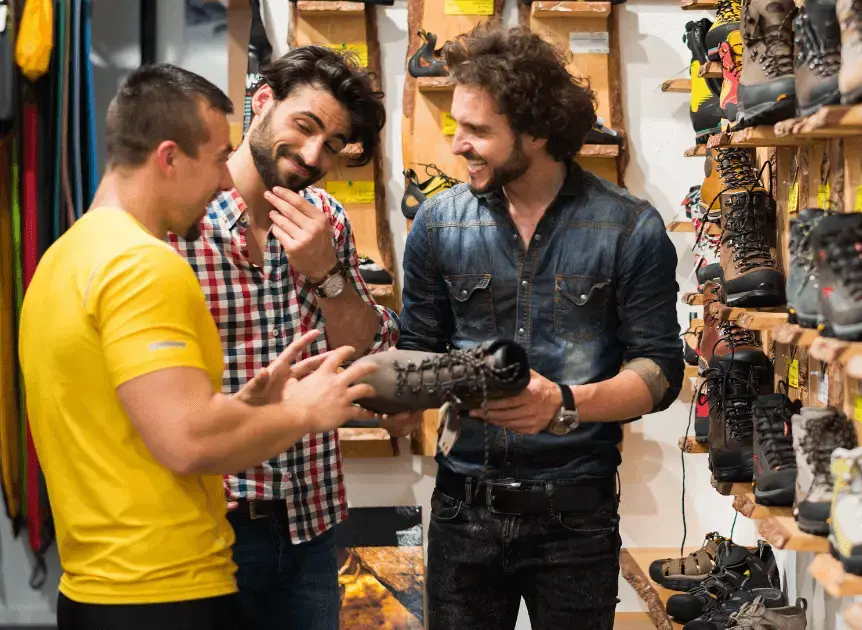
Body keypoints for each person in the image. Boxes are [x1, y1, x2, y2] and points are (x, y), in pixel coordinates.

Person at [17, 64, 380, 630]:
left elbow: (141, 414)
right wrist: (302, 410)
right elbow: (185, 441)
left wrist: (325, 278)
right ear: (169, 157)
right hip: (173, 570)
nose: (224, 180)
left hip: (279, 528)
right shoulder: (148, 256)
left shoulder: (68, 254)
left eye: (333, 145)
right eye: (218, 159)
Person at [385, 23, 684, 630]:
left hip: (577, 519)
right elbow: (414, 355)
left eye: (477, 131)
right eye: (456, 127)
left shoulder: (629, 228)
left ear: (538, 131)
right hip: (463, 513)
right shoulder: (437, 226)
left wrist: (564, 402)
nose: (458, 146)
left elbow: (659, 371)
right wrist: (398, 378)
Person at [167, 45, 404, 629]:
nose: (312, 155)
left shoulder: (326, 221)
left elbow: (372, 360)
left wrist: (326, 270)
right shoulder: (180, 222)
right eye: (305, 126)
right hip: (208, 524)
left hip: (312, 523)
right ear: (263, 100)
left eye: (333, 143)